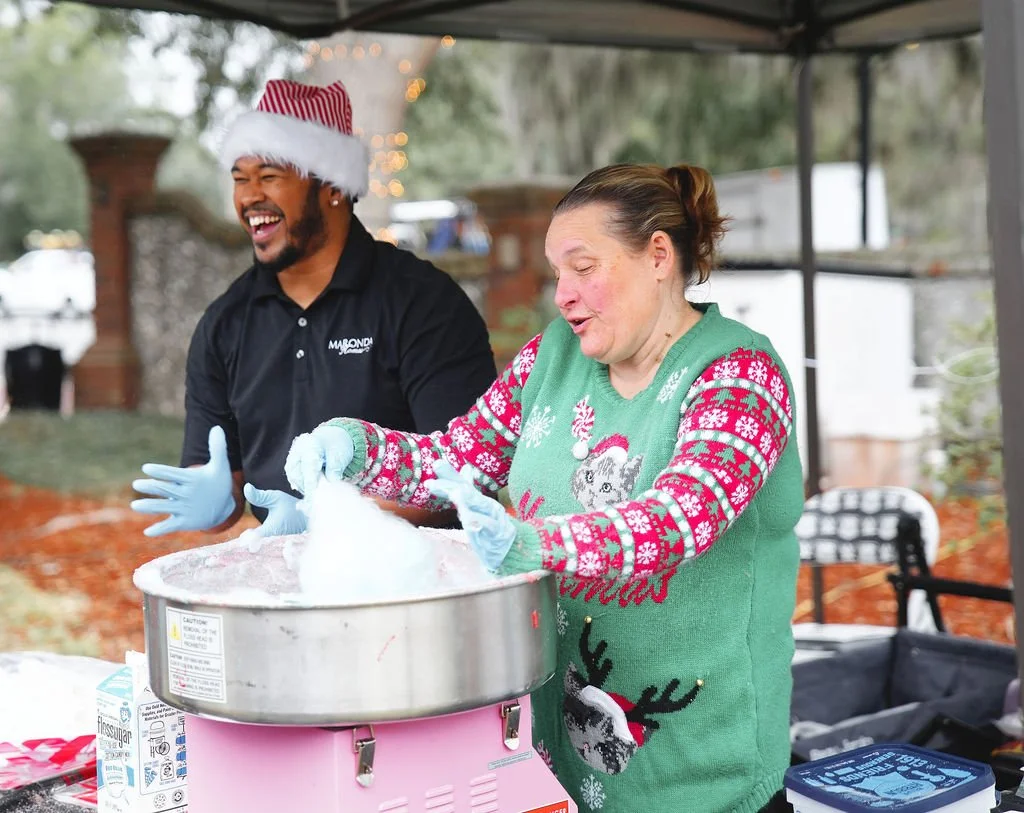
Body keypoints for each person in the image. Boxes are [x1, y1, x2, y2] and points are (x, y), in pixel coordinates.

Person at [282, 163, 803, 812]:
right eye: (559, 272)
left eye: (583, 267)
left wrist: (528, 543)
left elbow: (679, 518)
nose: (563, 294)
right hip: (554, 763)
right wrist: (355, 449)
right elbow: (457, 455)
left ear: (658, 257)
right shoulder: (553, 358)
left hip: (704, 781)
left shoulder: (739, 374)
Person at [129, 79, 496, 538]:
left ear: (332, 186)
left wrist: (325, 520)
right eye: (240, 179)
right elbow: (229, 484)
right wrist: (217, 498)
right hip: (279, 581)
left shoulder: (424, 304)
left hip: (414, 581)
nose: (248, 198)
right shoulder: (225, 324)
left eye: (269, 177)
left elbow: (466, 474)